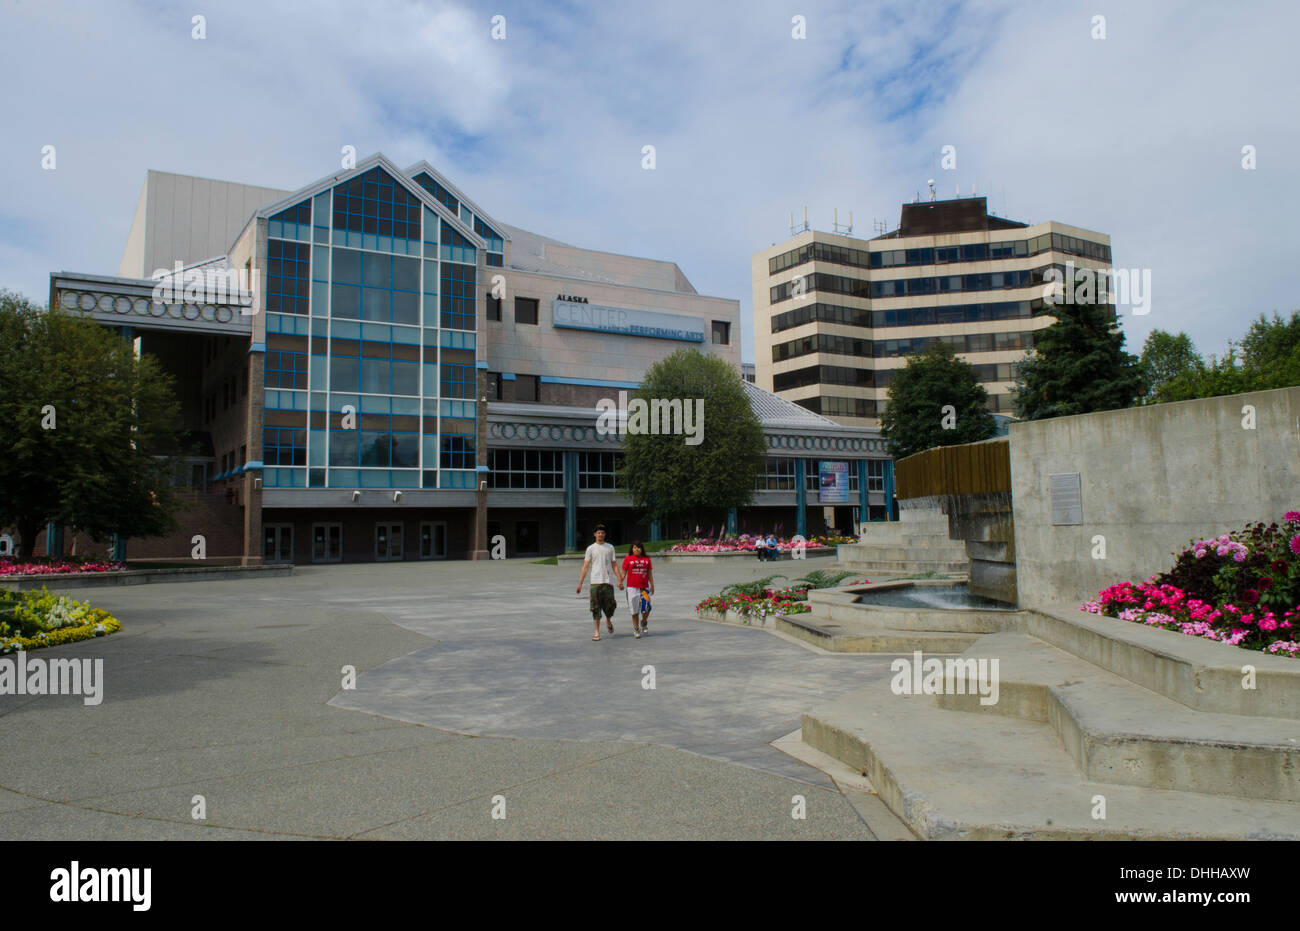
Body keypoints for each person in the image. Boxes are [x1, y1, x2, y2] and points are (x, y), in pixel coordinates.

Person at [575, 523, 623, 641]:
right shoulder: (590, 549)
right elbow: (585, 566)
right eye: (598, 533)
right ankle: (596, 632)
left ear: (605, 534)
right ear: (595, 534)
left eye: (602, 532)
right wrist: (580, 583)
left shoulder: (610, 547)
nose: (600, 534)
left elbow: (614, 565)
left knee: (610, 606)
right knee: (595, 607)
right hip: (595, 582)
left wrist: (620, 580)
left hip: (608, 582)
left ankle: (608, 620)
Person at [619, 541, 655, 638]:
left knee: (647, 607)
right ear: (632, 549)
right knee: (634, 611)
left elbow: (649, 574)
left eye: (639, 547)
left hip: (644, 588)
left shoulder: (647, 559)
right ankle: (636, 629)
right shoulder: (628, 559)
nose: (637, 549)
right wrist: (620, 581)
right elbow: (623, 573)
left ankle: (643, 622)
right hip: (631, 588)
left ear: (642, 549)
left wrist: (652, 585)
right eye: (635, 547)